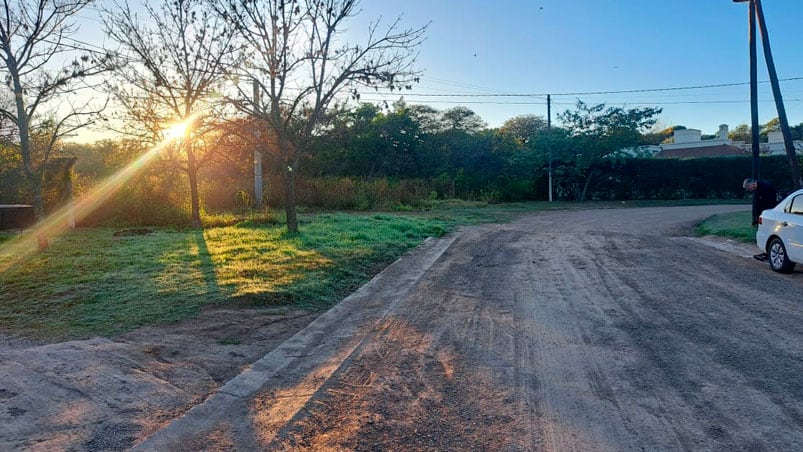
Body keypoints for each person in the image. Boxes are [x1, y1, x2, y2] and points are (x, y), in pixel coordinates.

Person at [743, 178, 777, 261]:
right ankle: (766, 252)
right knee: (764, 233)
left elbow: (770, 202)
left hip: (768, 215)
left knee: (768, 233)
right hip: (762, 215)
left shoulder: (765, 187)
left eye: (748, 188)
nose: (749, 190)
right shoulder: (758, 189)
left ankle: (768, 253)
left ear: (751, 184)